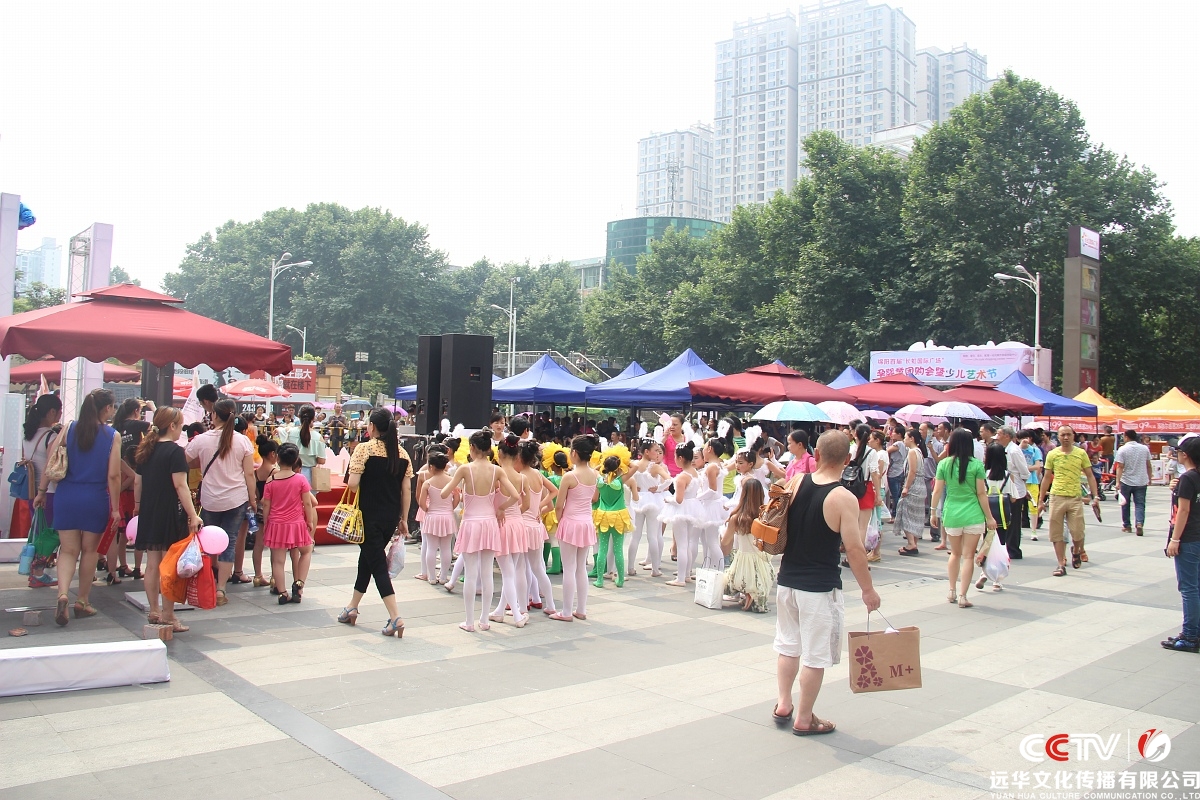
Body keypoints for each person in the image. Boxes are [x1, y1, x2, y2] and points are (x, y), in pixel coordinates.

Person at [773, 431, 881, 736]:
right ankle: (804, 718)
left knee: (788, 646)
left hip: (787, 581)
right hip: (819, 587)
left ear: (816, 455)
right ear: (847, 461)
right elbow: (855, 549)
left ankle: (783, 704)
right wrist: (868, 590)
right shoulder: (843, 498)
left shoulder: (795, 483)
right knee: (815, 655)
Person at [36, 389, 121, 627]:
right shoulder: (112, 435)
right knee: (89, 550)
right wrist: (116, 508)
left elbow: (51, 461)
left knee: (67, 550)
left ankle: (63, 594)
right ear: (107, 408)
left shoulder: (68, 428)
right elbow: (114, 475)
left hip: (67, 496)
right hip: (95, 497)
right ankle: (82, 601)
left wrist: (41, 491)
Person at [340, 409, 413, 637]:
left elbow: (352, 484)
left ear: (372, 426)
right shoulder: (402, 454)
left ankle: (395, 617)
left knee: (378, 565)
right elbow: (406, 490)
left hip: (367, 516)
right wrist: (404, 519)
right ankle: (352, 607)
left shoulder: (364, 449)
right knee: (368, 560)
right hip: (390, 518)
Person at [133, 407, 202, 632]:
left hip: (149, 510)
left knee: (152, 564)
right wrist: (193, 514)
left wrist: (137, 506)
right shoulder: (174, 452)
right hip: (169, 511)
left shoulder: (146, 449)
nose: (181, 430)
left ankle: (154, 610)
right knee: (169, 564)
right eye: (180, 426)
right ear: (172, 426)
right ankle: (168, 614)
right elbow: (180, 486)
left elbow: (137, 482)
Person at [184, 399, 256, 606]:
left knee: (207, 542)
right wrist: (252, 498)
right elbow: (249, 473)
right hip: (236, 498)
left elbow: (184, 459)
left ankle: (207, 582)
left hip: (210, 499)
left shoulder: (201, 440)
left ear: (214, 416)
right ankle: (221, 589)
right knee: (229, 542)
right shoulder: (242, 441)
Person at [930, 428, 998, 608]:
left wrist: (933, 512)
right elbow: (981, 493)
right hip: (973, 514)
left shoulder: (944, 464)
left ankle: (951, 591)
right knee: (968, 556)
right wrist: (989, 517)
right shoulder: (976, 465)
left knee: (955, 554)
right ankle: (963, 596)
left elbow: (937, 490)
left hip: (952, 513)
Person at [550, 435, 600, 621]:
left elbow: (559, 505)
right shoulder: (595, 475)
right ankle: (581, 609)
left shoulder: (569, 476)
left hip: (570, 522)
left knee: (569, 569)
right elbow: (594, 498)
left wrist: (560, 521)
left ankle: (566, 612)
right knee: (581, 568)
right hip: (586, 522)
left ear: (574, 453)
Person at [261, 443, 317, 604]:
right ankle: (299, 584)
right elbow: (308, 503)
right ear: (295, 459)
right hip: (296, 523)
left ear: (278, 458)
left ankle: (282, 593)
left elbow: (266, 504)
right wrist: (310, 521)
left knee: (278, 561)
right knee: (306, 551)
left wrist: (266, 522)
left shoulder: (271, 480)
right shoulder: (300, 479)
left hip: (276, 523)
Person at [1041, 426, 1099, 577]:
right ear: (1058, 437)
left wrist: (1095, 496)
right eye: (1063, 435)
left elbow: (1090, 475)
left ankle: (1077, 549)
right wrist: (1041, 500)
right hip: (1056, 497)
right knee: (1056, 533)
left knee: (1078, 532)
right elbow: (1046, 477)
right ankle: (1061, 564)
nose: (1066, 437)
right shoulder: (1053, 454)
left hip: (1075, 498)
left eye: (1068, 434)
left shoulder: (1081, 453)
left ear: (1073, 436)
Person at [1164, 435, 1200, 653]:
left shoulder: (1188, 478)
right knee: (1196, 586)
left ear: (1185, 455)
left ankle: (1190, 635)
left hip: (1189, 538)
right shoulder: (1190, 478)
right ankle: (1194, 631)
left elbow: (1183, 511)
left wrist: (1175, 539)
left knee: (1188, 588)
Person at [22, 395, 62, 588]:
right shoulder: (50, 437)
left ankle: (34, 572)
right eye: (59, 412)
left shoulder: (28, 436)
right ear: (52, 412)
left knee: (39, 533)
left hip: (32, 492)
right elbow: (51, 467)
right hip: (48, 493)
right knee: (50, 535)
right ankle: (37, 572)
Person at [491, 435, 530, 627]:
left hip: (502, 524)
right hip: (518, 524)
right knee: (510, 570)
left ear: (499, 453)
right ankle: (500, 610)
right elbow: (526, 505)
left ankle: (516, 615)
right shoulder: (522, 478)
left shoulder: (496, 475)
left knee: (507, 573)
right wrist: (513, 513)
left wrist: (501, 510)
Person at [518, 439, 558, 614]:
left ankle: (522, 605)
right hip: (535, 525)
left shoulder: (520, 477)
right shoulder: (537, 474)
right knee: (538, 568)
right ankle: (551, 605)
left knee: (521, 567)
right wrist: (539, 507)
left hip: (523, 525)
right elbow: (554, 491)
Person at [722, 479, 772, 612]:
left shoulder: (737, 517)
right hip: (761, 557)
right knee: (757, 580)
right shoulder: (765, 517)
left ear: (743, 494)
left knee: (730, 580)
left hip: (743, 556)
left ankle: (748, 593)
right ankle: (751, 595)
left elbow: (725, 542)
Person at [592, 453, 637, 588]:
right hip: (618, 516)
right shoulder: (620, 480)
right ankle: (620, 579)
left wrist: (603, 464)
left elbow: (594, 470)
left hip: (603, 516)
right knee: (618, 549)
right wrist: (623, 460)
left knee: (602, 549)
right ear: (618, 467)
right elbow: (635, 467)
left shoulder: (600, 480)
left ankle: (600, 580)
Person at [663, 442, 703, 587]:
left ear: (680, 458)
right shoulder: (695, 473)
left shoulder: (682, 477)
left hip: (682, 509)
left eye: (675, 456)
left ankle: (680, 578)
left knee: (682, 544)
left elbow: (678, 499)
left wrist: (668, 499)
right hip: (693, 507)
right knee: (687, 543)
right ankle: (686, 574)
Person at [417, 444, 458, 586]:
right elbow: (457, 498)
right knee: (446, 548)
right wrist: (450, 507)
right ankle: (443, 576)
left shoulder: (428, 483)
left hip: (432, 516)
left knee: (431, 547)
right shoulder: (451, 481)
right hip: (447, 516)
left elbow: (421, 502)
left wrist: (428, 509)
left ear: (431, 467)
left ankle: (432, 577)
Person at [628, 441, 670, 578]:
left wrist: (633, 487)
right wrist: (658, 489)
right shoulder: (654, 467)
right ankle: (655, 569)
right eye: (655, 450)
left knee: (635, 536)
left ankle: (630, 567)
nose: (658, 453)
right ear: (647, 451)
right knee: (653, 536)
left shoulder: (634, 464)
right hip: (652, 500)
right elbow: (669, 480)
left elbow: (625, 478)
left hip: (638, 499)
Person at [995, 426, 1031, 559]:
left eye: (999, 434)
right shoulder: (1002, 449)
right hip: (1004, 490)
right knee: (1004, 520)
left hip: (1016, 490)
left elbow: (1024, 471)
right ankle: (1004, 548)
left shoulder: (1014, 451)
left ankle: (1013, 549)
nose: (997, 437)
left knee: (1014, 521)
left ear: (1007, 436)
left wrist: (1021, 484)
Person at [251, 437, 279, 586]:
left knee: (258, 543)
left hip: (259, 510)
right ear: (272, 454)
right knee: (274, 545)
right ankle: (275, 576)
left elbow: (256, 495)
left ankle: (257, 576)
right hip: (273, 510)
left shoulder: (256, 473)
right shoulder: (275, 472)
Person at [896, 428, 928, 557]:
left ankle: (911, 543)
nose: (904, 440)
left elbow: (912, 471)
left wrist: (906, 487)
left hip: (914, 485)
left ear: (911, 438)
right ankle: (913, 543)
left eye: (905, 437)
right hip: (920, 485)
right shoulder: (919, 451)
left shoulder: (912, 452)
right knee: (916, 515)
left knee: (906, 513)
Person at [1115, 429, 1153, 536]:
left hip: (1126, 480)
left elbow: (1120, 466)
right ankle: (1139, 523)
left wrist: (1117, 481)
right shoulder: (1144, 448)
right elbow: (1148, 465)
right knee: (1140, 504)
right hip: (1141, 480)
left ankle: (1127, 526)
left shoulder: (1122, 449)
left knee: (1125, 504)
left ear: (1126, 437)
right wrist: (1149, 478)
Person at [283, 404, 327, 489]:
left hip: (290, 471)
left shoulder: (290, 433)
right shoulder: (318, 437)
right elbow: (321, 460)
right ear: (313, 418)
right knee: (308, 496)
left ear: (299, 416)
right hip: (310, 475)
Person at [1019, 430, 1044, 537]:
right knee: (1018, 506)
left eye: (1027, 437)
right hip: (1019, 481)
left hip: (1032, 481)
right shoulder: (1016, 450)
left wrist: (1024, 469)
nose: (1025, 440)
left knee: (1033, 506)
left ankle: (1034, 531)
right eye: (1022, 438)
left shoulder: (1035, 450)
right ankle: (1018, 529)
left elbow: (1038, 466)